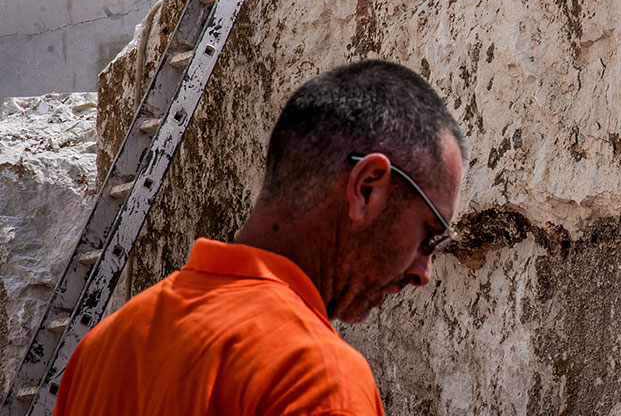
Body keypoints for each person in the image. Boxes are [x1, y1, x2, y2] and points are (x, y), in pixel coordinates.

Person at [52, 60, 464, 416]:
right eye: (428, 235)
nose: (422, 273)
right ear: (366, 188)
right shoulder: (314, 378)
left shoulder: (102, 349)